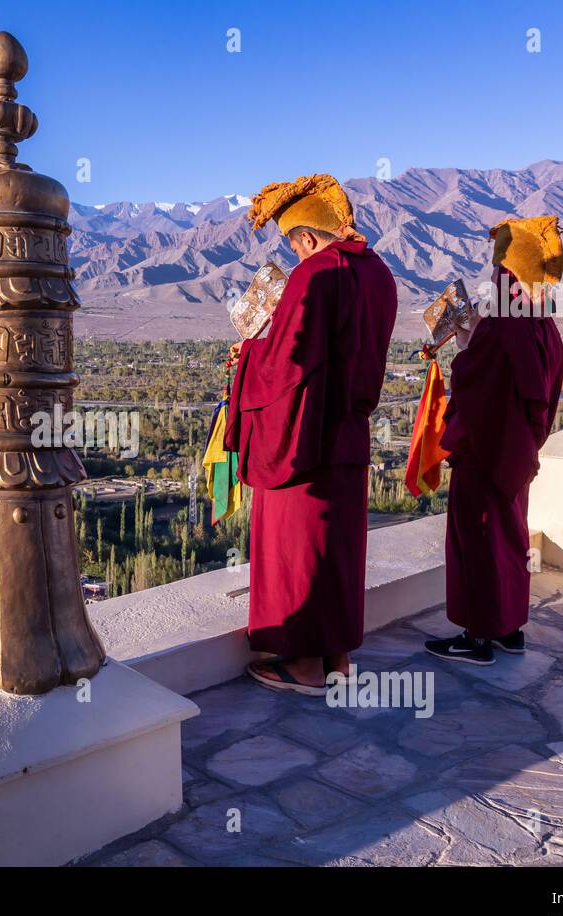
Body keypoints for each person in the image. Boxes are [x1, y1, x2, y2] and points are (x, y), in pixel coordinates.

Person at [225, 174, 397, 694]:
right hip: (350, 433)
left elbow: (288, 364)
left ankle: (300, 665)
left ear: (303, 237)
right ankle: (338, 660)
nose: (294, 252)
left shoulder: (314, 275)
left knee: (298, 548)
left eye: (292, 243)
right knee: (337, 548)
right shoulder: (380, 274)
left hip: (303, 438)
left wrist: (248, 354)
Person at [425, 216, 563, 666]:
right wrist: (473, 337)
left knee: (479, 538)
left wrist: (464, 348)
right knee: (510, 539)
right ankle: (510, 629)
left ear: (509, 273)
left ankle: (478, 635)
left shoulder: (506, 324)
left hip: (487, 451)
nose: (491, 280)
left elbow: (476, 378)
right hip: (518, 452)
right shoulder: (543, 323)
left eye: (496, 273)